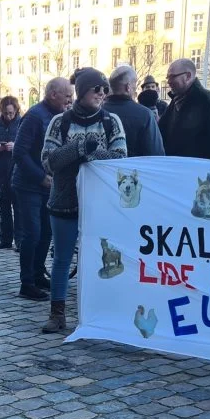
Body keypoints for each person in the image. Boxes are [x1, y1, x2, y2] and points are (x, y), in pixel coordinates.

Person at [41, 69, 128, 334]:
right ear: (82, 91)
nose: (102, 94)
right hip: (64, 201)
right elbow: (48, 160)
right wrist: (78, 148)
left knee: (101, 259)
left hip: (100, 204)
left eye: (105, 90)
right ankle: (57, 313)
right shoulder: (60, 122)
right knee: (62, 259)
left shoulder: (112, 122)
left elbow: (121, 158)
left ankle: (99, 311)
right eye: (96, 89)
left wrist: (93, 152)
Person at [13, 77, 73, 301]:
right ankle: (26, 282)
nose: (70, 100)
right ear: (52, 94)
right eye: (67, 96)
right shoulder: (35, 116)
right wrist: (40, 177)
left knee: (47, 232)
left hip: (49, 185)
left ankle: (38, 273)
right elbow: (19, 152)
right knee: (33, 233)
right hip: (29, 185)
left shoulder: (59, 116)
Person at [159, 58, 210, 160]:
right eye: (168, 77)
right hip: (174, 167)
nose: (168, 82)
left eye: (172, 77)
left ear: (188, 76)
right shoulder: (175, 101)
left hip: (196, 171)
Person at [105, 65, 165, 157]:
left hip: (104, 170)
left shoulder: (97, 112)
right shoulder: (145, 115)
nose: (135, 88)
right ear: (128, 87)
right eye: (134, 84)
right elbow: (156, 154)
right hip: (135, 170)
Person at [0, 96, 21, 250]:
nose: (9, 116)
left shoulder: (22, 123)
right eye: (6, 113)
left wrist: (16, 146)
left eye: (11, 113)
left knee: (19, 209)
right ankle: (5, 239)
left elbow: (30, 146)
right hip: (1, 173)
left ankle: (20, 241)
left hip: (17, 172)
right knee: (5, 209)